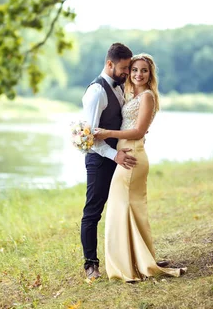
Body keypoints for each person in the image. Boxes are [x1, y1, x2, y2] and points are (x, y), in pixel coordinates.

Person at [94, 53, 183, 281]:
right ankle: (137, 259)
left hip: (132, 157)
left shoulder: (148, 97)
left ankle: (127, 265)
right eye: (134, 70)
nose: (138, 74)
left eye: (143, 70)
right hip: (126, 152)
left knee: (119, 207)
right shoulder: (129, 93)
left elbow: (139, 131)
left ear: (150, 74)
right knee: (128, 209)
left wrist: (106, 133)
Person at [80, 42, 138, 281]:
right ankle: (90, 264)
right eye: (124, 68)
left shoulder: (120, 86)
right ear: (109, 64)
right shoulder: (96, 92)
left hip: (119, 157)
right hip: (101, 160)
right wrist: (115, 155)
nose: (127, 73)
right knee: (93, 211)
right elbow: (91, 137)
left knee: (123, 207)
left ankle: (133, 258)